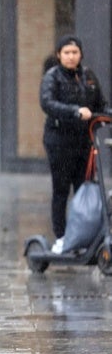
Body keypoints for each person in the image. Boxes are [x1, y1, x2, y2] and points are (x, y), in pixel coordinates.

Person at [40, 35, 107, 254]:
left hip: (84, 142)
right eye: (66, 53)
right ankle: (61, 237)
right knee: (61, 190)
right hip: (59, 142)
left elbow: (100, 104)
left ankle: (81, 237)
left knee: (84, 190)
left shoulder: (88, 77)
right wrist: (75, 112)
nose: (71, 57)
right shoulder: (52, 77)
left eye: (75, 52)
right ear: (59, 55)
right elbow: (48, 103)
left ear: (80, 54)